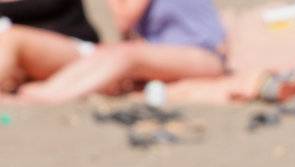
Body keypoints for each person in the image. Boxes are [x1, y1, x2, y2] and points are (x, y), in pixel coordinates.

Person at [0, 0, 225, 102]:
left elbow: (123, 19)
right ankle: (42, 92)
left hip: (202, 54)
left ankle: (46, 95)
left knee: (127, 55)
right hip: (174, 51)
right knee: (122, 54)